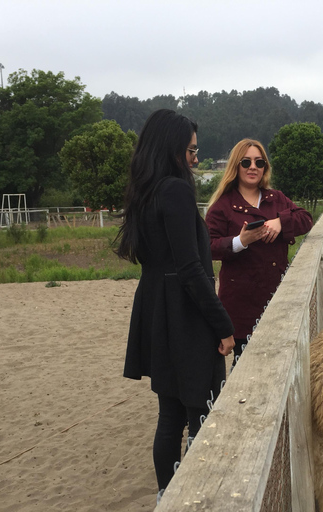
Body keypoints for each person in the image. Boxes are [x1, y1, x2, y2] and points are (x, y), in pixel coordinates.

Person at [116, 109, 235, 496]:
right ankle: (195, 494)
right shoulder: (176, 191)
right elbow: (190, 270)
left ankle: (168, 495)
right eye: (191, 152)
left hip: (156, 311)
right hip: (185, 316)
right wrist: (223, 326)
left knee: (169, 416)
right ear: (172, 150)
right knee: (202, 409)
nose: (196, 160)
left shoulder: (144, 192)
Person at [205, 139, 313, 366]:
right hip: (242, 304)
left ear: (265, 167)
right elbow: (208, 246)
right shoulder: (222, 206)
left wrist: (281, 222)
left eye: (259, 162)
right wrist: (239, 241)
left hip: (278, 298)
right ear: (236, 165)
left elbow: (306, 219)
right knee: (247, 366)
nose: (252, 167)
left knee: (282, 364)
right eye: (246, 162)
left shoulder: (277, 199)